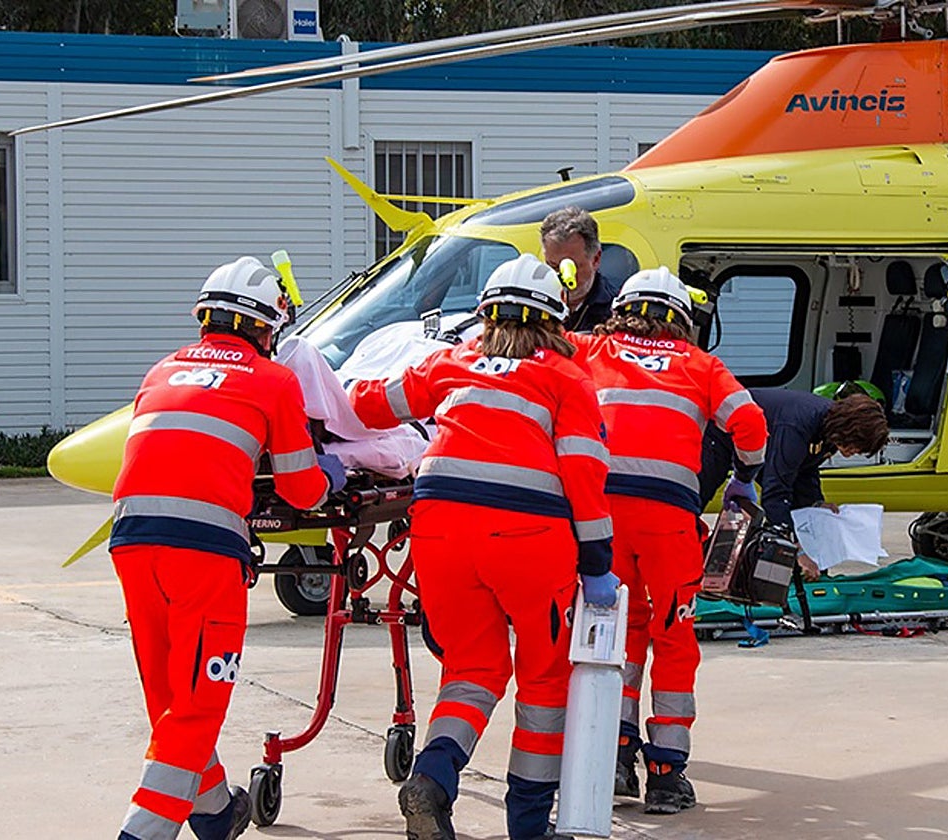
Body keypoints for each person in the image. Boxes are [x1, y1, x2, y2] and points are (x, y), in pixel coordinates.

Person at [350, 254, 615, 840]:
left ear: (486, 314)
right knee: (543, 681)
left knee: (471, 669)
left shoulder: (454, 360)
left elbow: (368, 404)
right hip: (528, 540)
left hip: (439, 532)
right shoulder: (566, 378)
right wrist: (597, 561)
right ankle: (527, 825)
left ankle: (434, 779)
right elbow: (584, 475)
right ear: (555, 319)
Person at [109, 256, 346, 840]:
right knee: (198, 702)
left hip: (132, 540)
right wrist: (330, 475)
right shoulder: (272, 379)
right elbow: (299, 487)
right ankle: (142, 831)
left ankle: (214, 811)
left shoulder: (161, 370)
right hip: (206, 552)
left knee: (170, 692)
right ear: (266, 329)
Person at [570, 267, 767, 815]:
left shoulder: (588, 347)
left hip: (600, 516)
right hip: (668, 521)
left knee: (618, 631)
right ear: (681, 319)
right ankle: (666, 773)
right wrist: (745, 477)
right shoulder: (701, 365)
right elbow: (749, 422)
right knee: (673, 635)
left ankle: (614, 755)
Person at [699, 388, 890, 580]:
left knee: (801, 511)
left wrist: (816, 504)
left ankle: (807, 572)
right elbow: (776, 490)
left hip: (762, 440)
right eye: (855, 446)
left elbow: (806, 469)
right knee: (697, 498)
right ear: (849, 429)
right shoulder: (797, 426)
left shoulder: (830, 430)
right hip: (719, 433)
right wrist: (795, 551)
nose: (853, 453)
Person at [540, 206, 619, 333]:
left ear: (595, 259)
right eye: (553, 266)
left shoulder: (615, 311)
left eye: (571, 268)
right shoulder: (534, 306)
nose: (561, 278)